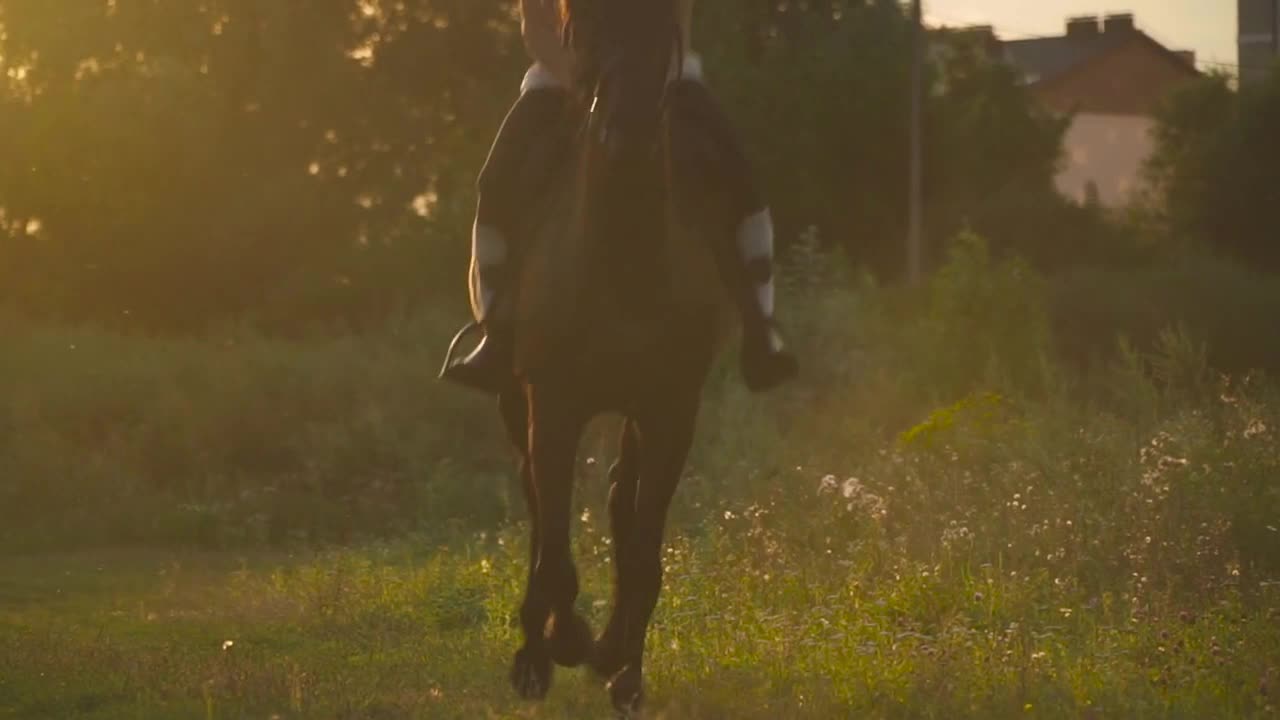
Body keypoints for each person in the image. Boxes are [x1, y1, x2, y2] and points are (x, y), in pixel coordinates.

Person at [442, 0, 796, 394]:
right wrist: (584, 84)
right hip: (562, 82)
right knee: (495, 183)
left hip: (661, 82)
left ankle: (760, 326)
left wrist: (647, 86)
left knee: (743, 181)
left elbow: (678, 24)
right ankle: (495, 330)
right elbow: (537, 31)